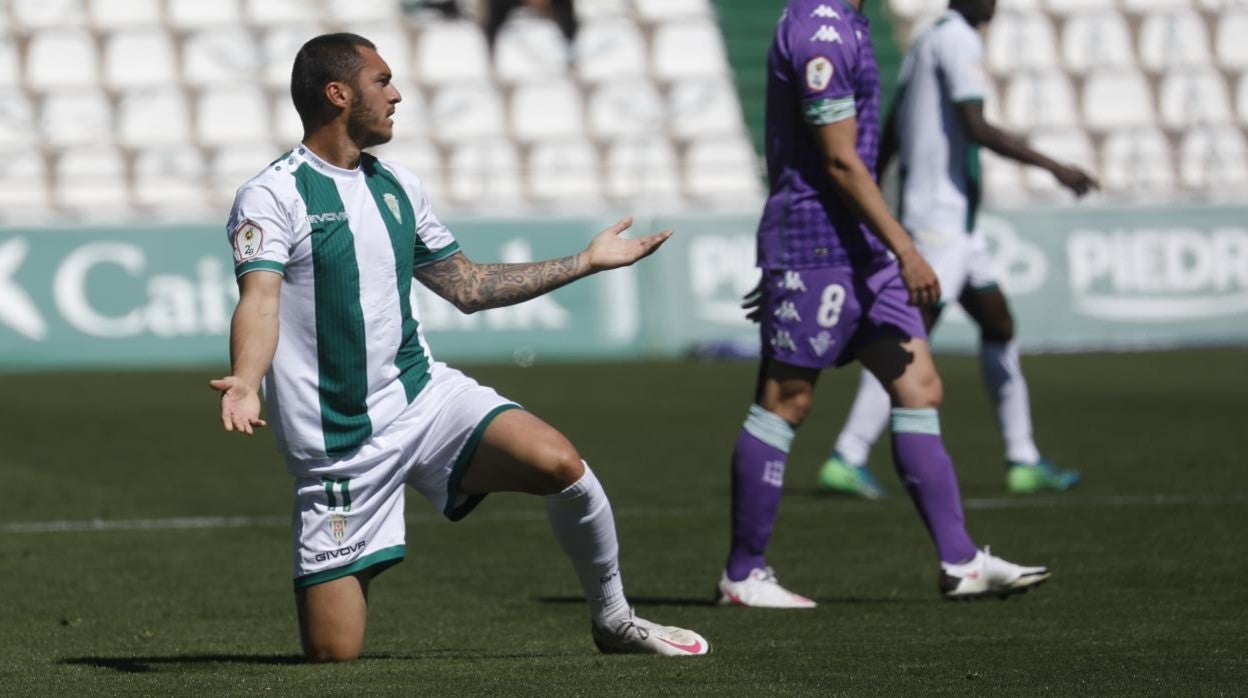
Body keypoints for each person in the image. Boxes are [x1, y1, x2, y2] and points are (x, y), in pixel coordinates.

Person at [210, 33, 708, 660]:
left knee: (561, 465)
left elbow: (467, 287)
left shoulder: (397, 187)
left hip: (423, 402)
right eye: (381, 81)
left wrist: (585, 261)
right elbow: (259, 300)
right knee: (333, 658)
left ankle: (614, 619)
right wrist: (248, 379)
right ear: (338, 94)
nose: (396, 94)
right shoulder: (272, 193)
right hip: (338, 451)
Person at [717, 0, 1050, 608]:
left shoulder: (847, 24)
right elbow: (840, 159)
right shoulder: (821, 31)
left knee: (919, 385)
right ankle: (744, 573)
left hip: (861, 247)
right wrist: (907, 250)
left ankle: (960, 561)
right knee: (786, 400)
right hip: (821, 243)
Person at [815, 0, 1096, 500]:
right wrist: (1055, 166)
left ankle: (1023, 458)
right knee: (907, 341)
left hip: (954, 226)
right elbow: (975, 124)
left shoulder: (925, 39)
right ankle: (847, 454)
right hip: (939, 223)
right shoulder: (959, 38)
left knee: (998, 323)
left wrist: (872, 193)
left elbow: (896, 128)